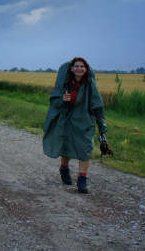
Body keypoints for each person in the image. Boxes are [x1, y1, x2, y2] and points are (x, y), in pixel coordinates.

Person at [42, 56, 108, 194]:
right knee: (66, 147)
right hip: (66, 121)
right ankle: (64, 168)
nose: (79, 68)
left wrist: (102, 127)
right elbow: (53, 101)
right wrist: (62, 99)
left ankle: (82, 181)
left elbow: (98, 105)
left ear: (86, 69)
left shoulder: (90, 84)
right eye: (77, 66)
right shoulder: (65, 84)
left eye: (82, 66)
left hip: (84, 123)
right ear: (71, 69)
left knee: (85, 149)